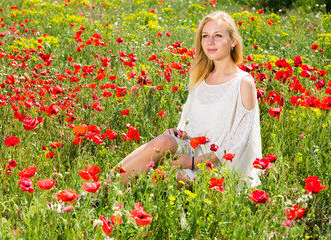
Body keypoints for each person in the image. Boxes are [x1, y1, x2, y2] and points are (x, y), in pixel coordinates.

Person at [109, 11, 262, 188]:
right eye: (205, 36)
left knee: (172, 174)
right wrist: (176, 134)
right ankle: (100, 191)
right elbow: (189, 124)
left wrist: (191, 162)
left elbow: (239, 144)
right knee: (163, 141)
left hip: (217, 166)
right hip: (191, 151)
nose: (210, 42)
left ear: (233, 41)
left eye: (218, 35)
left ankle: (108, 193)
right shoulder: (201, 78)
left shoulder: (243, 82)